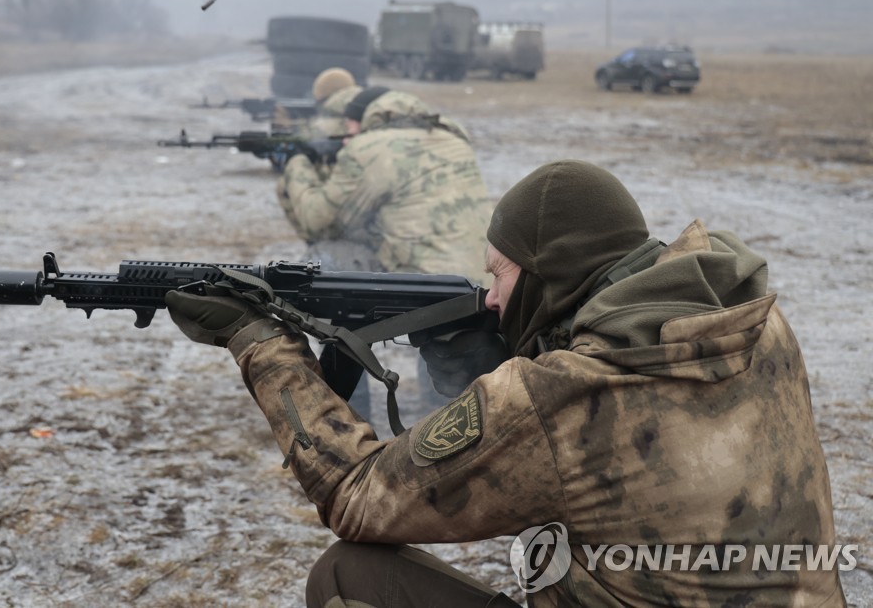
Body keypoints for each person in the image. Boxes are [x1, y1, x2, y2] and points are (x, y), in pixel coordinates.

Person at [165, 159, 845, 607]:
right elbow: (623, 455)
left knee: (346, 576)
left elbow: (357, 496)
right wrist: (499, 366)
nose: (491, 298)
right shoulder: (753, 326)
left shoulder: (564, 393)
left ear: (552, 274)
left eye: (501, 275)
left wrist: (261, 344)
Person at [276, 85, 493, 422]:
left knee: (334, 268)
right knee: (459, 393)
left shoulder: (369, 148)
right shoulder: (449, 133)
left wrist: (297, 164)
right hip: (483, 277)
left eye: (348, 129)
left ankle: (350, 412)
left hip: (431, 292)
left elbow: (318, 220)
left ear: (361, 121)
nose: (345, 138)